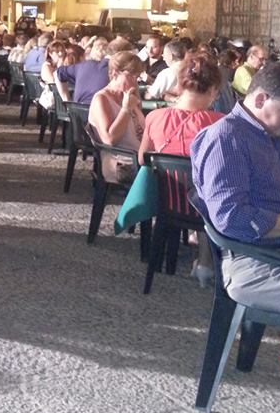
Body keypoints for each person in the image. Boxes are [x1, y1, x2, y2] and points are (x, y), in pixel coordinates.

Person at [191, 61, 280, 312]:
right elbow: (232, 218)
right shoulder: (227, 139)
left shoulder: (272, 135)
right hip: (251, 260)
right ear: (260, 100)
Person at [139, 53, 224, 287]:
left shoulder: (155, 117)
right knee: (212, 193)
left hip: (166, 201)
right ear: (213, 90)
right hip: (203, 207)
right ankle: (206, 264)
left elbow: (143, 159)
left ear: (180, 85)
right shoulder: (221, 124)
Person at [88, 51, 145, 183]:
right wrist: (126, 109)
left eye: (137, 76)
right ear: (114, 73)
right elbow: (109, 139)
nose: (135, 81)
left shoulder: (128, 95)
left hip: (139, 158)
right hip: (121, 164)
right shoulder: (102, 99)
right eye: (130, 75)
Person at [55, 36, 110, 104]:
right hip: (98, 108)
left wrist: (66, 100)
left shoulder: (81, 66)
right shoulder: (111, 70)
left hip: (77, 109)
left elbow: (57, 73)